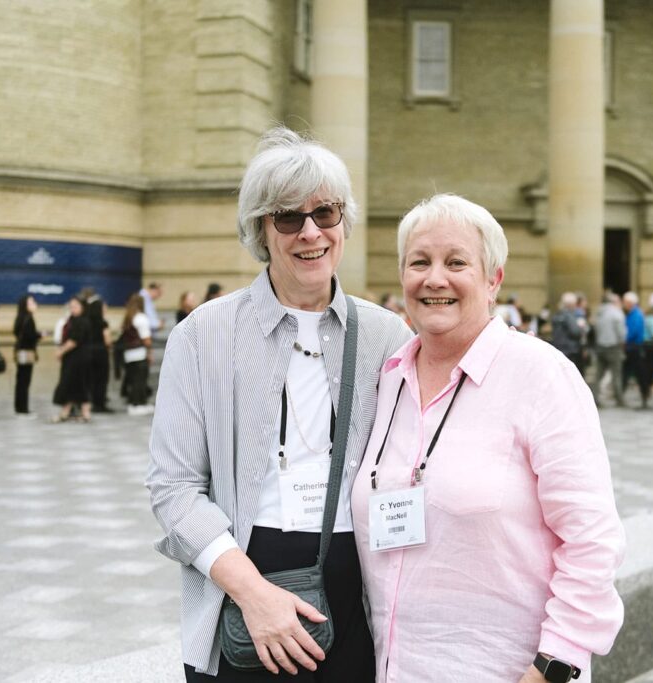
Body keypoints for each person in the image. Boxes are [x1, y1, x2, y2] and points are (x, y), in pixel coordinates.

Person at [146, 127, 412, 681]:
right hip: (241, 579)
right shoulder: (204, 335)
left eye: (326, 213)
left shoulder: (388, 336)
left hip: (357, 588)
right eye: (288, 217)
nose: (310, 231)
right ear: (260, 231)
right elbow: (173, 490)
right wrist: (253, 594)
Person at [351, 194, 624, 682]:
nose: (435, 278)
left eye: (456, 262)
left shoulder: (541, 375)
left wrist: (551, 669)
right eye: (420, 262)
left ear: (494, 279)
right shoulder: (388, 378)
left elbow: (592, 539)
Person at [51, 296, 92, 423]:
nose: (72, 309)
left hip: (79, 358)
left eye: (76, 306)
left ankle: (85, 413)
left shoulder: (83, 321)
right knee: (70, 384)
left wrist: (61, 351)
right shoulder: (72, 320)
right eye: (71, 306)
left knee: (80, 384)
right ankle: (65, 412)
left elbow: (74, 340)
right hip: (71, 358)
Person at [590, 292, 627, 408]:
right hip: (613, 346)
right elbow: (621, 332)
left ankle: (594, 398)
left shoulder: (599, 313)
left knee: (598, 375)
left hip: (600, 346)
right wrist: (622, 342)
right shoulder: (616, 313)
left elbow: (594, 329)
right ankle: (619, 399)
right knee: (616, 374)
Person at [120, 292, 154, 416]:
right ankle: (137, 403)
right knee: (140, 380)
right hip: (139, 353)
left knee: (133, 379)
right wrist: (150, 353)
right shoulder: (141, 318)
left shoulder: (129, 317)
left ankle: (134, 403)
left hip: (129, 355)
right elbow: (146, 339)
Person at [622, 291, 653, 409]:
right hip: (632, 348)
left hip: (634, 348)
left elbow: (632, 332)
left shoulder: (636, 315)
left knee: (640, 374)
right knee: (627, 373)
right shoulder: (632, 314)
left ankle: (645, 397)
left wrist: (624, 341)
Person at [12, 295, 42, 416]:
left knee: (20, 380)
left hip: (20, 351)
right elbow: (30, 336)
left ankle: (19, 406)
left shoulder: (20, 318)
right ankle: (23, 408)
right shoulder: (28, 318)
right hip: (27, 351)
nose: (35, 304)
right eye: (32, 302)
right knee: (25, 380)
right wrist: (39, 335)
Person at [86, 297, 113, 413]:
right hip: (101, 353)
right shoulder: (103, 323)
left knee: (91, 379)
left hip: (88, 352)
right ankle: (99, 404)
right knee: (102, 379)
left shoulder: (87, 321)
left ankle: (91, 401)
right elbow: (107, 340)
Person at [549, 292, 585, 371]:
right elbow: (575, 332)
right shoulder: (569, 316)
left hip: (558, 347)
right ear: (571, 304)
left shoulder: (557, 315)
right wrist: (581, 329)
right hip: (570, 350)